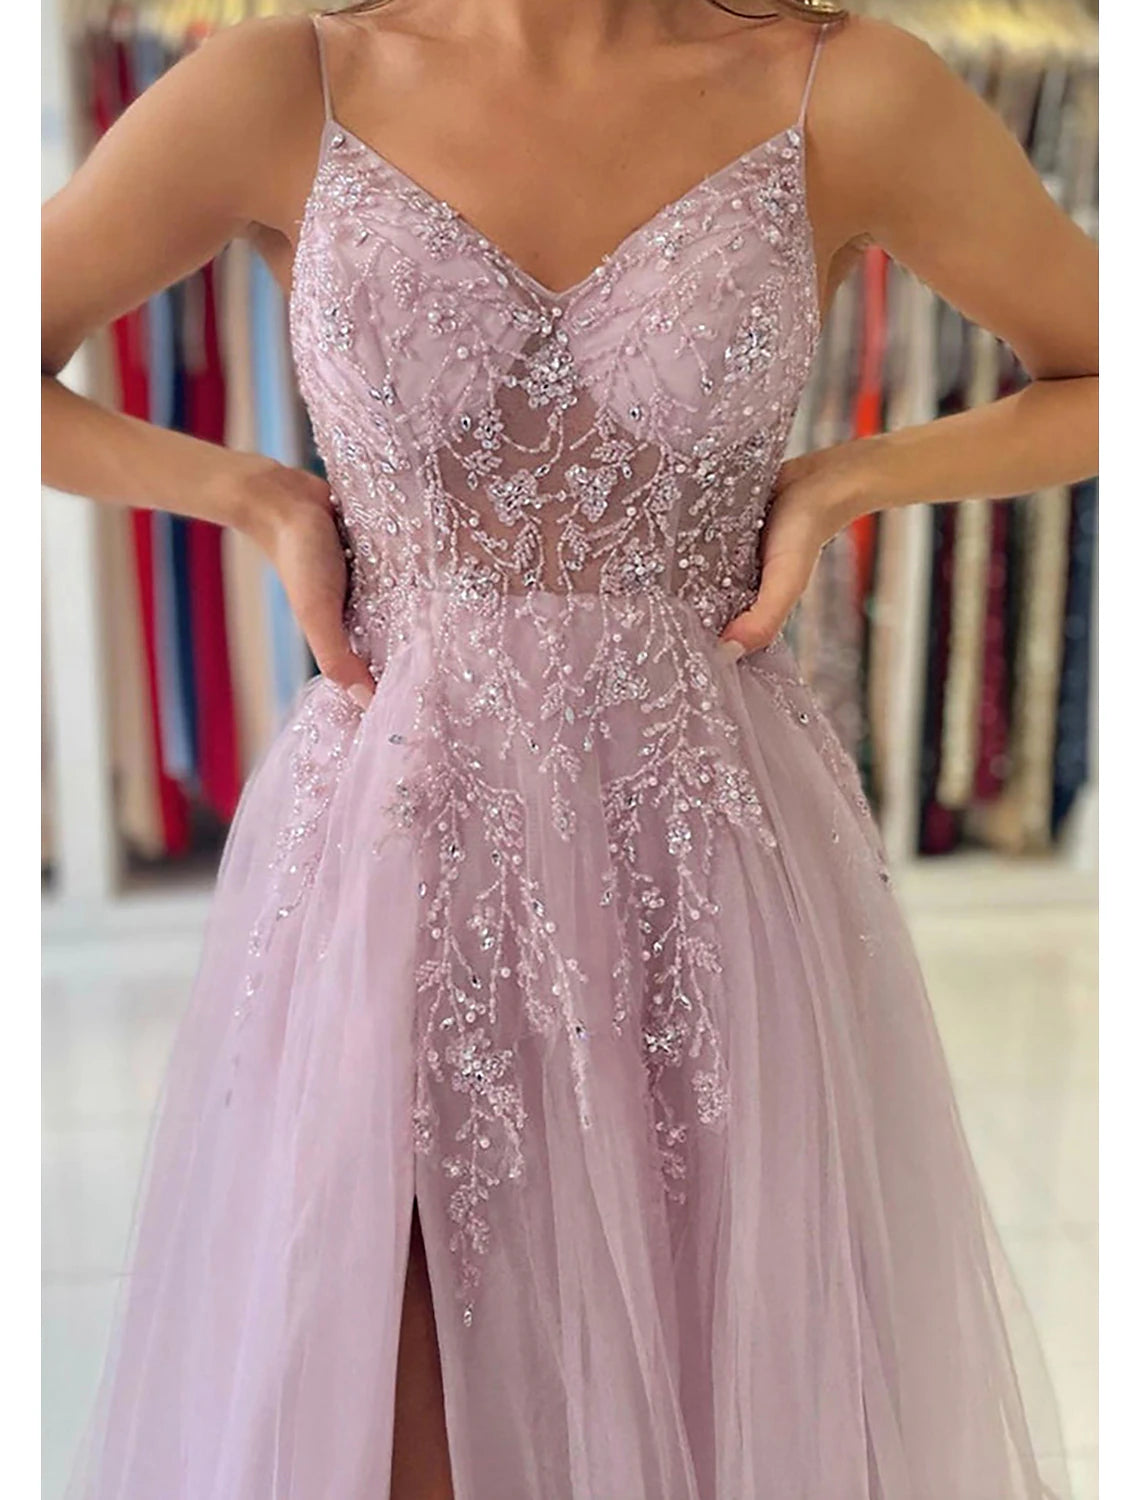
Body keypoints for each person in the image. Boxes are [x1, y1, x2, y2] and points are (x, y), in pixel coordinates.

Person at [42, 2, 1097, 1497]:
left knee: (716, 1389)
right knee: (380, 1399)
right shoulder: (292, 83)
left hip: (703, 873)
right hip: (399, 867)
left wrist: (850, 478)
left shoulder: (842, 91)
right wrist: (249, 495)